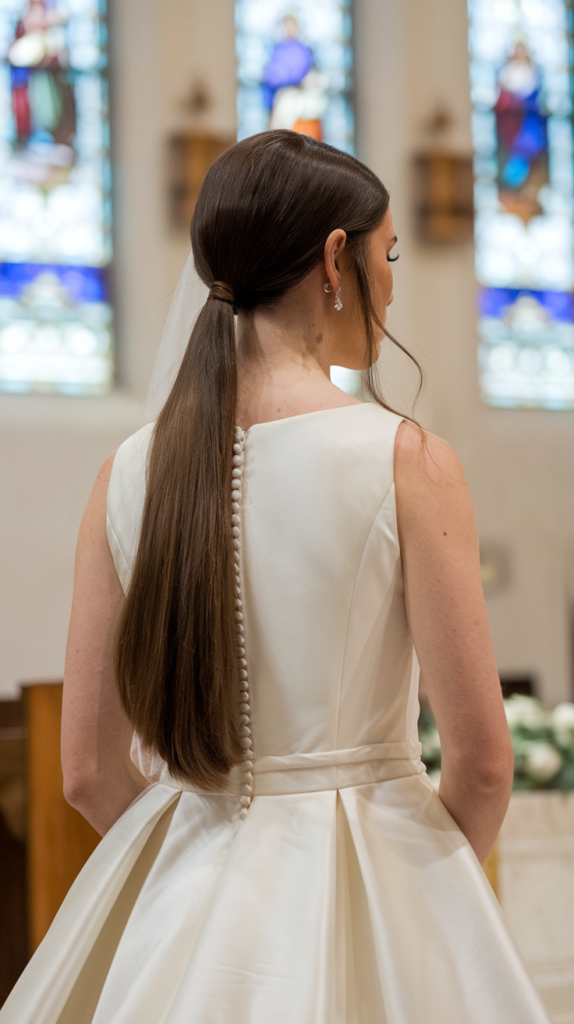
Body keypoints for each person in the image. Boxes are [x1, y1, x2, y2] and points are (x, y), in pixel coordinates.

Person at [1, 130, 550, 1023]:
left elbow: (87, 773)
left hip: (181, 907)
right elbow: (484, 764)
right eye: (390, 255)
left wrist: (199, 871)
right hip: (387, 872)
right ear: (337, 260)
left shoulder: (129, 473)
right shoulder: (407, 459)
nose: (397, 282)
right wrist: (429, 900)